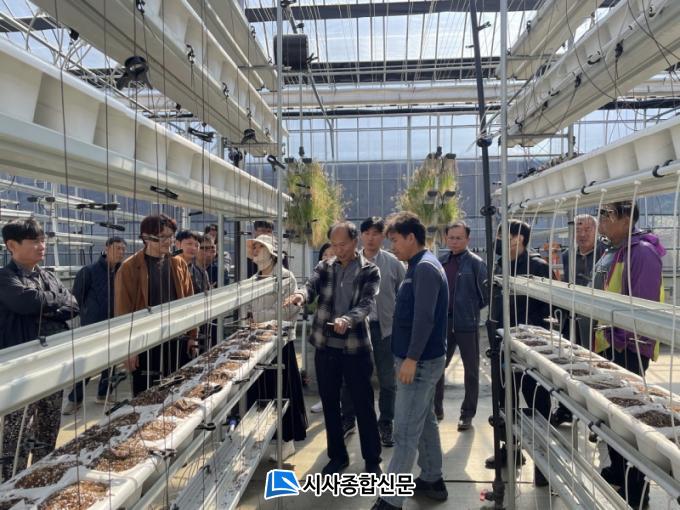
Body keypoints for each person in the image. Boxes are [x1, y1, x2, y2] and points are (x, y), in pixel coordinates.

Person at [285, 221, 382, 475]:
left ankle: (372, 459)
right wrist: (301, 296)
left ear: (355, 242)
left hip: (356, 348)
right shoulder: (325, 267)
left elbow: (367, 304)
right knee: (329, 403)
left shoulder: (369, 270)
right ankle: (337, 456)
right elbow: (311, 285)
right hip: (326, 347)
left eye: (343, 244)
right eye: (334, 245)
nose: (339, 250)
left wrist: (347, 319)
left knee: (363, 404)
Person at [371, 212, 449, 510]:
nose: (392, 247)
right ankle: (432, 479)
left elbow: (424, 318)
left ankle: (390, 501)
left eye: (394, 240)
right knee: (424, 420)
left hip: (420, 362)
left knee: (404, 432)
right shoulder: (417, 266)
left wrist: (412, 358)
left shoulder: (425, 268)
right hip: (417, 360)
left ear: (411, 238)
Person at [594, 201, 664, 508]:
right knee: (615, 416)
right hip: (612, 343)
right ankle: (618, 469)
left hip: (628, 347)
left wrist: (620, 341)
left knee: (631, 419)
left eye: (606, 215)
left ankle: (636, 488)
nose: (601, 222)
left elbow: (643, 308)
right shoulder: (618, 250)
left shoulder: (642, 253)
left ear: (625, 219)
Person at [0, 218, 79, 480]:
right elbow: (26, 303)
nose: (41, 245)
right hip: (21, 367)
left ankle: (43, 476)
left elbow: (73, 305)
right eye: (34, 241)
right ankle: (12, 482)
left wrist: (44, 306)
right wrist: (55, 301)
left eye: (43, 240)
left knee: (49, 422)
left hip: (52, 363)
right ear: (12, 245)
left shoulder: (47, 276)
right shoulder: (5, 278)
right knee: (18, 430)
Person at [487, 219, 551, 487]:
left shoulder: (538, 267)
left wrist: (529, 336)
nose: (498, 241)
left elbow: (547, 309)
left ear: (519, 239)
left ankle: (544, 463)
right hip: (504, 345)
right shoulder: (500, 264)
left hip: (531, 348)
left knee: (537, 402)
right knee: (505, 399)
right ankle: (510, 450)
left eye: (502, 236)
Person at [115, 214, 198, 396]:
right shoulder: (130, 268)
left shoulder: (178, 264)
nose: (168, 242)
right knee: (147, 395)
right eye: (162, 237)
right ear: (146, 238)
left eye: (171, 237)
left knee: (178, 391)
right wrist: (129, 349)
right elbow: (123, 311)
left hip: (176, 339)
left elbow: (189, 302)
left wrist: (192, 336)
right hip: (145, 344)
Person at [340, 217, 405, 447]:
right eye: (366, 233)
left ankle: (386, 422)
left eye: (376, 233)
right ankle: (348, 418)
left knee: (387, 379)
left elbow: (404, 293)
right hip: (356, 329)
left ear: (383, 237)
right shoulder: (349, 262)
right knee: (351, 377)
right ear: (360, 236)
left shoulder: (393, 263)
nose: (370, 238)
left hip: (384, 329)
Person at [243, 234, 307, 462]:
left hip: (280, 344)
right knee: (261, 393)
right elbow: (245, 310)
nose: (255, 251)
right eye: (254, 247)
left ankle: (287, 441)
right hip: (257, 344)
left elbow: (288, 310)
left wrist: (258, 318)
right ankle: (263, 438)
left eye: (260, 247)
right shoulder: (252, 281)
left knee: (283, 391)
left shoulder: (286, 278)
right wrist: (250, 321)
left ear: (272, 253)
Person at [63, 236, 127, 415]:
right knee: (87, 362)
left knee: (111, 361)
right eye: (117, 248)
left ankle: (103, 394)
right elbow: (76, 298)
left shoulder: (123, 271)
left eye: (123, 249)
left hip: (115, 322)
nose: (121, 252)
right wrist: (88, 313)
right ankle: (75, 399)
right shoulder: (89, 271)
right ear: (106, 248)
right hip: (92, 325)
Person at [550, 214, 604, 427]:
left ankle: (598, 419)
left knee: (595, 366)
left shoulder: (604, 253)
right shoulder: (568, 255)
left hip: (595, 320)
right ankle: (566, 410)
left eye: (587, 229)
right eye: (578, 230)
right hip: (571, 317)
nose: (582, 234)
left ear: (597, 231)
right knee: (570, 364)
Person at [434, 220, 488, 430]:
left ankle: (467, 414)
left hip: (467, 323)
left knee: (471, 371)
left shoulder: (475, 263)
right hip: (444, 323)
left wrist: (469, 308)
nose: (454, 241)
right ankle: (436, 409)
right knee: (438, 367)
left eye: (459, 238)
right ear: (446, 238)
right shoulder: (441, 262)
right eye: (451, 238)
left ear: (467, 239)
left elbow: (485, 295)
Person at [309, 242, 334, 415]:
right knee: (322, 369)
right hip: (322, 329)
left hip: (341, 329)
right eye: (325, 255)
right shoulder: (319, 272)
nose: (328, 258)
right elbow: (311, 289)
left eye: (331, 254)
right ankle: (324, 400)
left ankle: (339, 402)